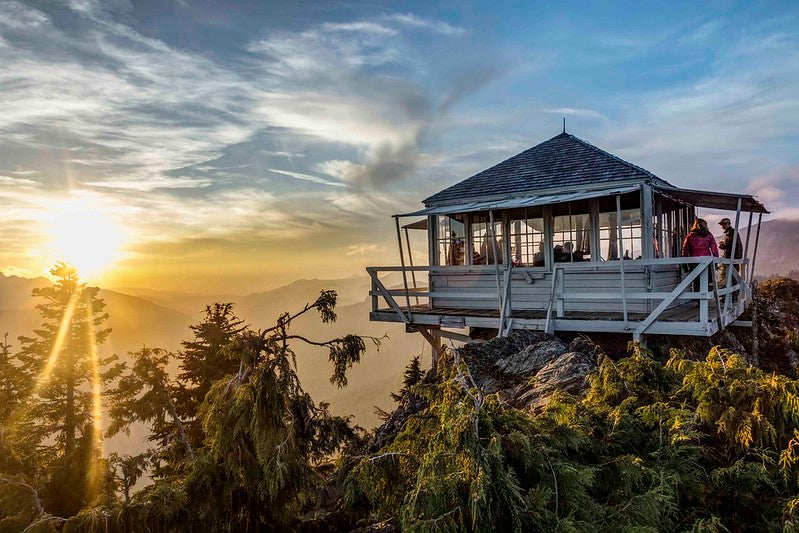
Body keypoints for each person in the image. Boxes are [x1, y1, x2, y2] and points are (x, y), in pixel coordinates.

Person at [681, 218, 719, 294]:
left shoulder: (691, 236)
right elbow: (714, 248)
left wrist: (684, 263)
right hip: (706, 260)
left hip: (694, 261)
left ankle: (697, 299)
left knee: (696, 281)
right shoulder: (708, 235)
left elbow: (685, 249)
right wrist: (716, 261)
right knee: (706, 280)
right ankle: (704, 299)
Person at [717, 217, 743, 286]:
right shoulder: (731, 232)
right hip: (734, 257)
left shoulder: (731, 233)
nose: (722, 226)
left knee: (732, 276)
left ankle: (733, 294)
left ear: (729, 224)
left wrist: (722, 245)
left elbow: (731, 244)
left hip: (733, 257)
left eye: (724, 224)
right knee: (731, 276)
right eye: (722, 224)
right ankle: (733, 293)